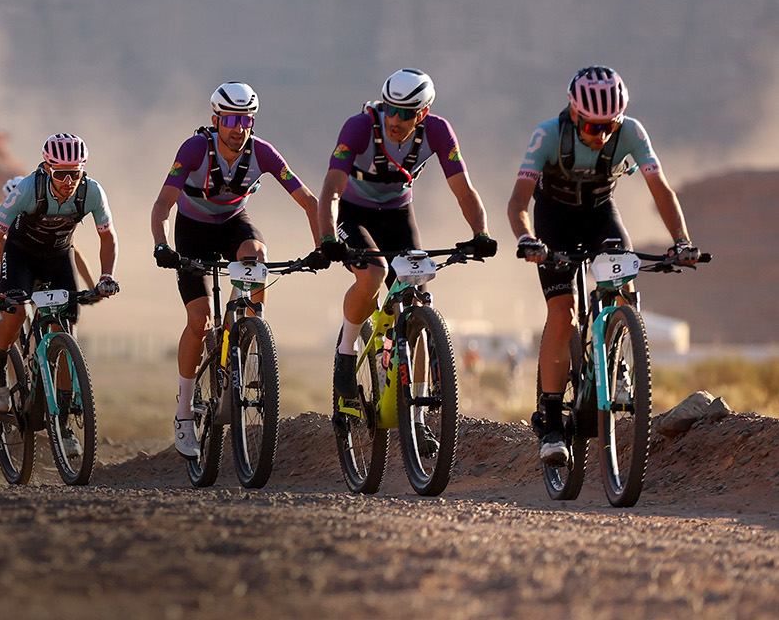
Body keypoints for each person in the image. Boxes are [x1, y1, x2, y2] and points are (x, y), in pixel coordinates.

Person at [507, 65, 698, 464]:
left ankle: (619, 363)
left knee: (623, 281)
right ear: (574, 114)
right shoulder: (546, 134)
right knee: (563, 315)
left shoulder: (632, 130)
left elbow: (660, 189)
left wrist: (682, 240)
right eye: (593, 127)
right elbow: (518, 201)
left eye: (610, 125)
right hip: (553, 220)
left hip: (599, 214)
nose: (603, 135)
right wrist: (528, 240)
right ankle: (551, 420)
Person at [317, 69, 496, 437]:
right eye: (390, 110)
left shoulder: (439, 132)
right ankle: (347, 351)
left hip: (398, 214)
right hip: (353, 213)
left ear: (424, 113)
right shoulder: (358, 127)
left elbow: (465, 190)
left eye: (406, 112)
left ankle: (416, 416)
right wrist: (326, 237)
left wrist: (481, 233)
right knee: (374, 273)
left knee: (419, 298)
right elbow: (332, 189)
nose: (395, 120)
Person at [149, 82, 322, 457]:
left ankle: (247, 331)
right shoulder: (195, 149)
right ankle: (183, 412)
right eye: (230, 119)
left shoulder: (263, 152)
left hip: (232, 224)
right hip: (192, 230)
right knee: (199, 321)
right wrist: (162, 245)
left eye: (245, 119)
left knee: (256, 255)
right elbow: (163, 203)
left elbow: (309, 201)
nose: (238, 127)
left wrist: (323, 246)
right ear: (215, 120)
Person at [0, 133, 119, 430]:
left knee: (66, 329)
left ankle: (62, 422)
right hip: (21, 255)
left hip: (58, 256)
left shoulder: (92, 192)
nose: (68, 181)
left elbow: (108, 237)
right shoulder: (27, 189)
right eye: (61, 173)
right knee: (17, 313)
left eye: (74, 173)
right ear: (47, 169)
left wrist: (106, 277)